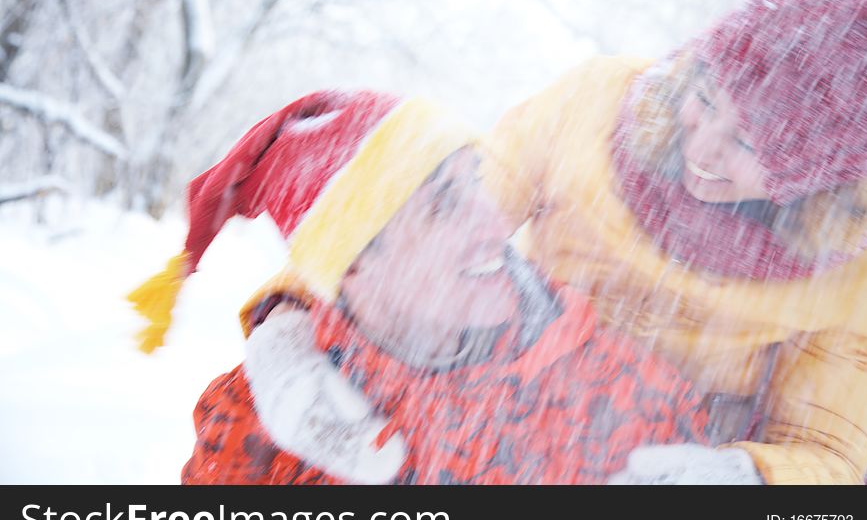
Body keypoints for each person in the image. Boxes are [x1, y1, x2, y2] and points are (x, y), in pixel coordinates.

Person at [130, 93, 717, 484]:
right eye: (444, 206)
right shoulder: (257, 419)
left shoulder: (614, 389)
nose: (496, 225)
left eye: (477, 185)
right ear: (353, 268)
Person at [479, 0, 867, 484]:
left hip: (665, 459)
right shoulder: (593, 104)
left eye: (751, 146)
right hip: (499, 394)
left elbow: (827, 451)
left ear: (820, 179)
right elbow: (448, 216)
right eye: (707, 101)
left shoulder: (860, 270)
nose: (703, 149)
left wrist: (746, 477)